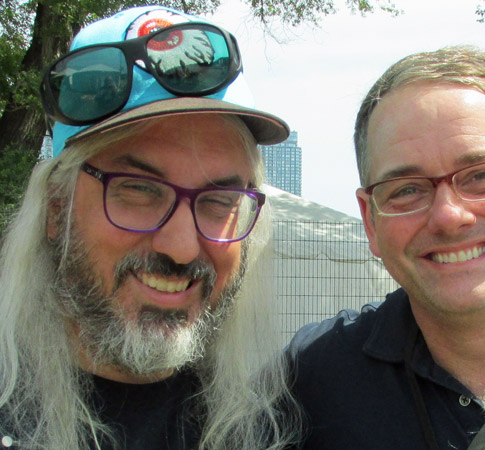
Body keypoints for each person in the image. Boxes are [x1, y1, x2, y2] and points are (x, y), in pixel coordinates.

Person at [0, 6, 300, 450]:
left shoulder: (273, 431)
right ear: (56, 209)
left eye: (219, 201)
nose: (181, 248)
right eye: (138, 190)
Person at [288, 45, 485, 449]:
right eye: (407, 189)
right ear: (371, 221)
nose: (449, 216)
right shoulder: (306, 383)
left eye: (483, 175)